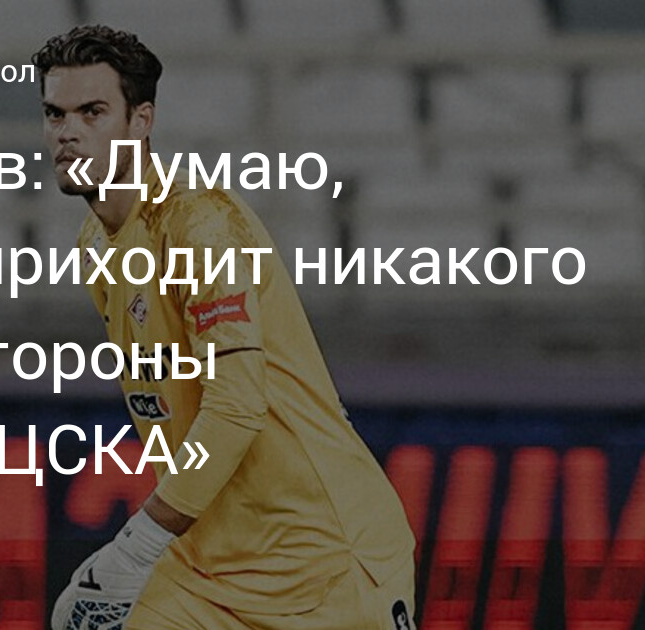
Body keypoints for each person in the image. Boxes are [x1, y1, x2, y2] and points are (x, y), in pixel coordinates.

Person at [34, 25, 416, 630]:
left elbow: (235, 406)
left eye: (92, 112)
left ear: (141, 121)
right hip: (209, 571)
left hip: (325, 563)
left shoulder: (200, 224)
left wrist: (137, 545)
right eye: (55, 113)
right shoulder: (95, 244)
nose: (67, 132)